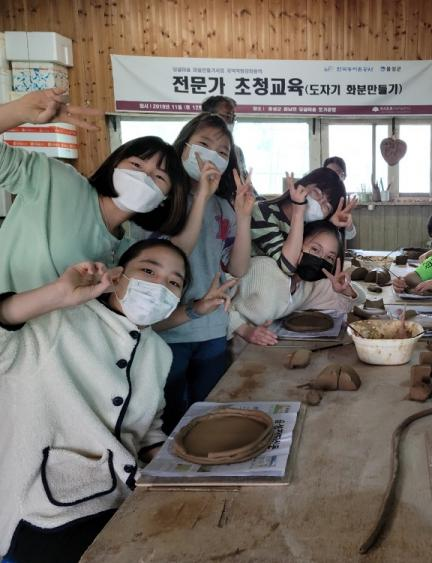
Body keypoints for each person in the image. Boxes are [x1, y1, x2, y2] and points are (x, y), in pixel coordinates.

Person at [0, 239, 234, 563]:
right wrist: (57, 294)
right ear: (117, 276)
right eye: (148, 271)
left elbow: (148, 431)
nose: (159, 286)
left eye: (173, 282)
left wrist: (184, 467)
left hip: (122, 498)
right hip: (44, 514)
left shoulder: (158, 353)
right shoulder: (55, 322)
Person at [0, 88, 190, 294]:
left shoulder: (127, 252)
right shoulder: (57, 180)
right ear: (115, 164)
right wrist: (17, 111)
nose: (144, 177)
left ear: (164, 199)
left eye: (159, 177)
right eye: (136, 165)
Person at [155, 113, 254, 434]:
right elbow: (175, 257)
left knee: (209, 417)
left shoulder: (223, 207)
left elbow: (238, 268)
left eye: (223, 152)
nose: (212, 155)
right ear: (183, 146)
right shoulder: (161, 199)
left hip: (212, 329)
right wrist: (201, 197)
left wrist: (243, 217)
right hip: (167, 329)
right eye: (204, 144)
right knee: (168, 420)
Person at [230, 220, 365, 346]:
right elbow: (219, 298)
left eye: (329, 257)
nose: (320, 259)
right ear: (298, 242)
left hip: (261, 350)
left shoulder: (310, 284)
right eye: (315, 249)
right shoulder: (263, 268)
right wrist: (244, 330)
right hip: (233, 349)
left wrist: (345, 289)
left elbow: (350, 304)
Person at [251, 167, 356, 277]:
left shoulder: (307, 223)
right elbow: (288, 266)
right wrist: (298, 211)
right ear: (303, 184)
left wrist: (330, 225)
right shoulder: (262, 213)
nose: (319, 203)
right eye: (317, 193)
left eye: (326, 207)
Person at [324, 156, 357, 242]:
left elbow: (350, 235)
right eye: (328, 172)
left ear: (344, 176)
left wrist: (348, 223)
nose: (332, 176)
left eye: (337, 172)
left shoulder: (342, 197)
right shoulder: (317, 194)